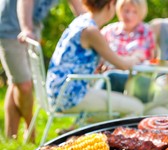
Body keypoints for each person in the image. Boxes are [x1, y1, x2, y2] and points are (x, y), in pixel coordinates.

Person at [0, 0, 86, 141]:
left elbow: (78, 7)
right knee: (24, 85)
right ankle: (30, 129)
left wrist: (93, 29)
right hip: (10, 28)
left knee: (16, 83)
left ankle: (11, 137)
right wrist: (26, 28)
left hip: (32, 28)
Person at [46, 0, 144, 118]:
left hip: (58, 91)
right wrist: (137, 57)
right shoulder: (91, 31)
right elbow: (122, 64)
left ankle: (92, 131)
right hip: (70, 96)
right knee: (137, 107)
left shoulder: (81, 21)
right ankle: (113, 135)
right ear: (110, 5)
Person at [99, 0, 156, 93]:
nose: (129, 16)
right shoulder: (108, 31)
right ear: (119, 10)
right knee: (111, 77)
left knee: (113, 77)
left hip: (135, 80)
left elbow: (148, 60)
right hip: (108, 78)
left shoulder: (146, 32)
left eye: (134, 12)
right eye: (126, 11)